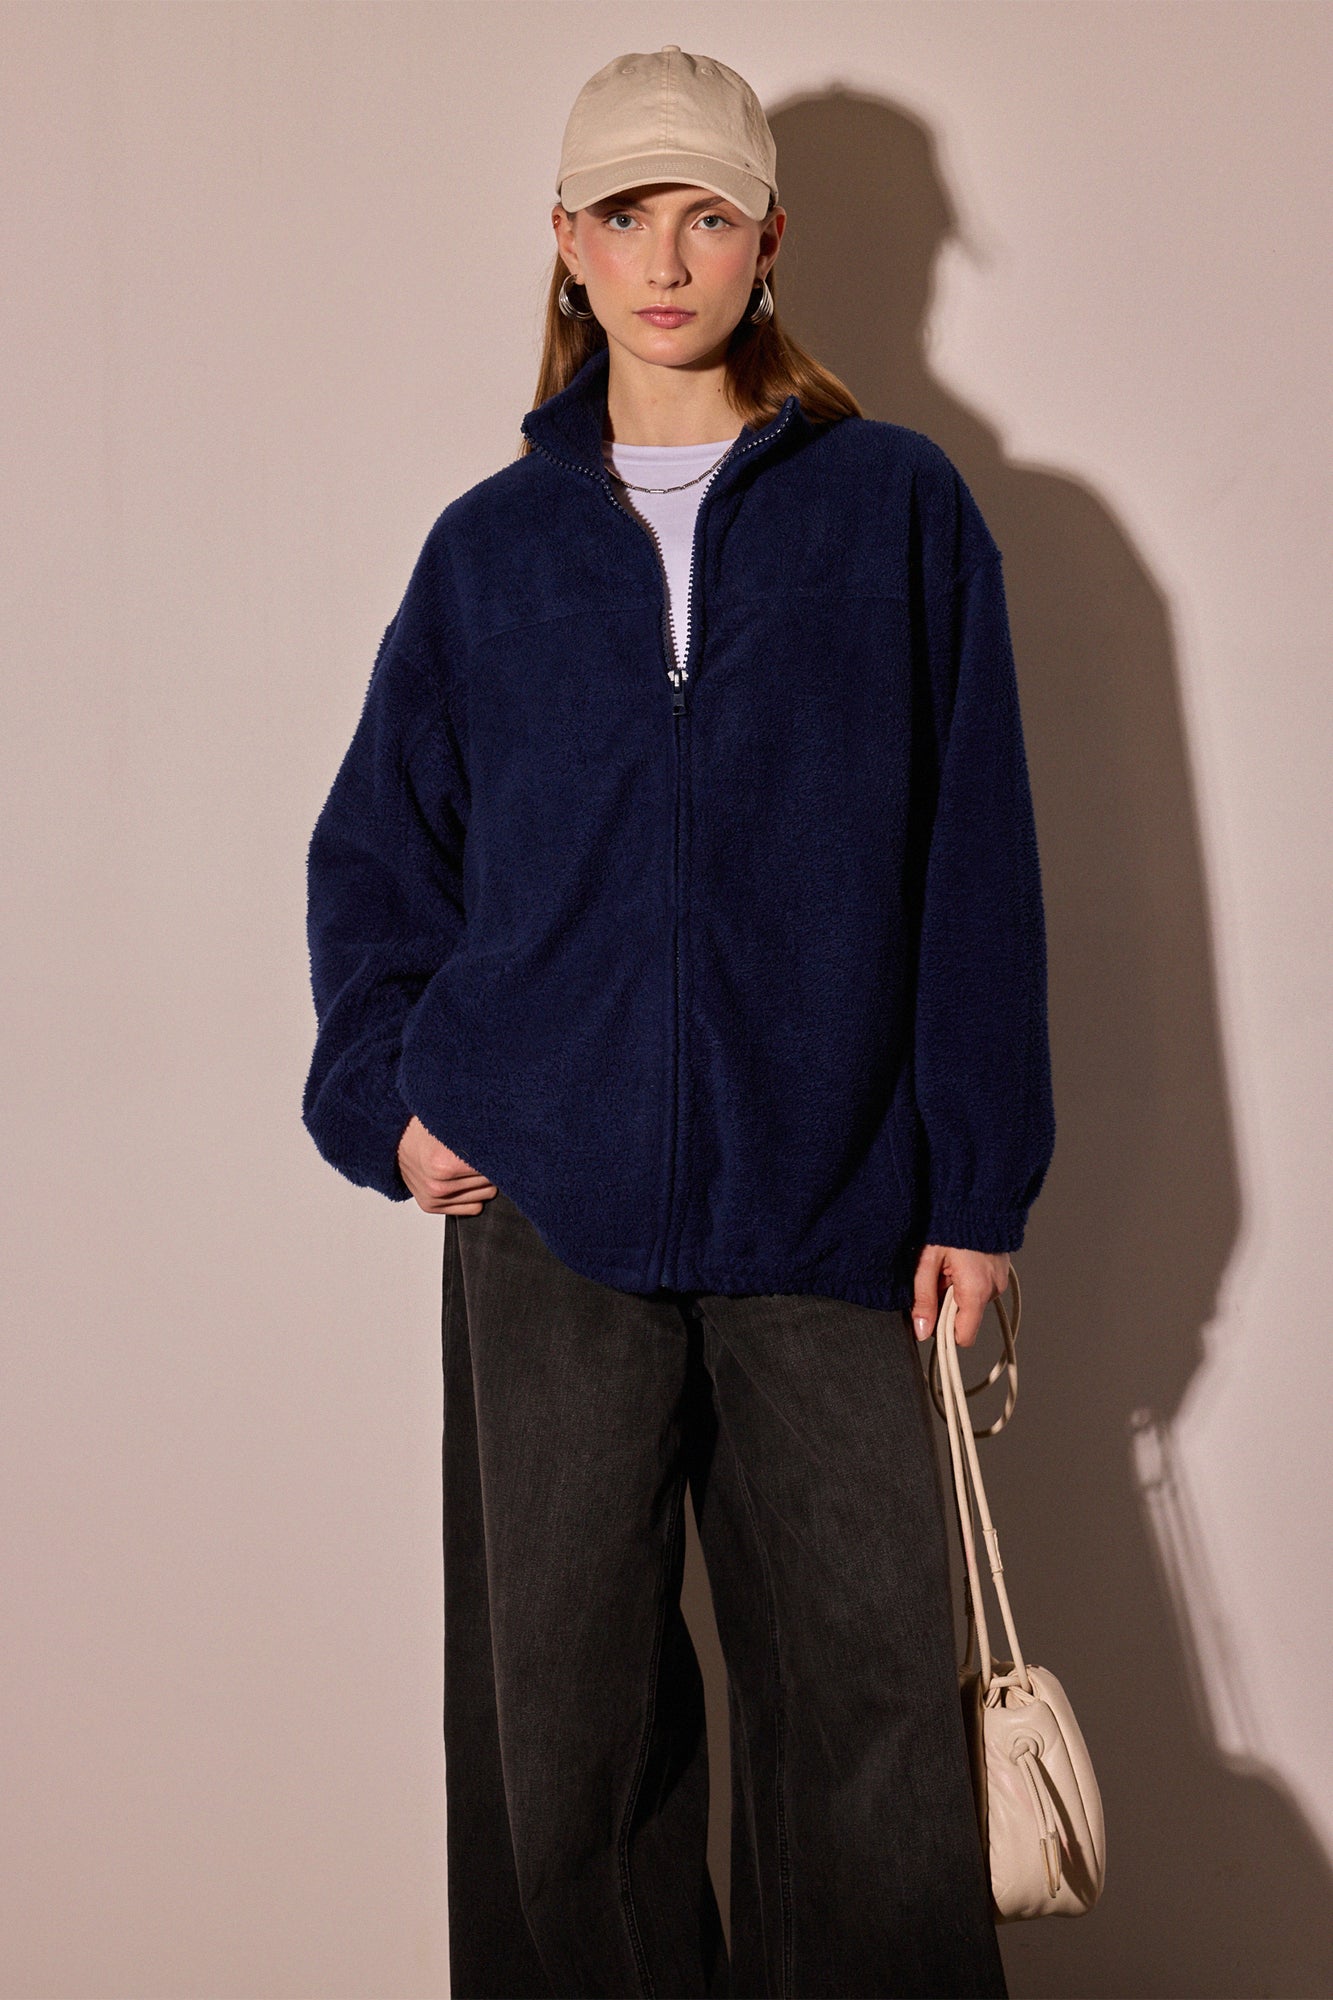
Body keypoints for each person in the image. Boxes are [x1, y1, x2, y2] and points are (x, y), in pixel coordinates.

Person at [302, 42, 1054, 2000]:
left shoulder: (895, 511)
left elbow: (973, 860)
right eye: (624, 214)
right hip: (547, 1216)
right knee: (569, 1750)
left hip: (832, 1208)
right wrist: (390, 1101)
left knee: (869, 1742)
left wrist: (974, 1187)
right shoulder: (488, 553)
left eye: (705, 215)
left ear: (768, 239)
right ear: (562, 240)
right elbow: (377, 858)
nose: (663, 257)